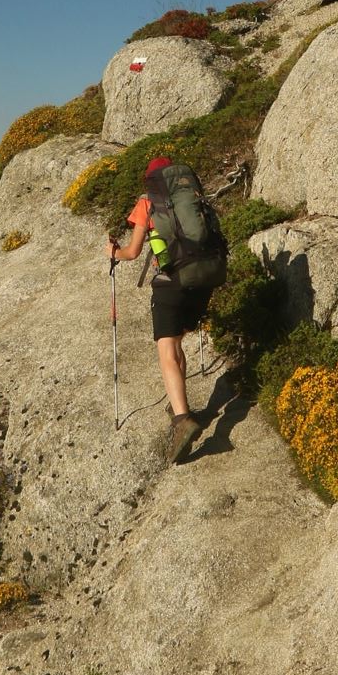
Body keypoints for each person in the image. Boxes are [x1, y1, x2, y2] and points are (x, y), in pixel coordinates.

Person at [108, 155, 216, 462]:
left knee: (166, 348)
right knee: (177, 342)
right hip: (203, 278)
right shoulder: (193, 196)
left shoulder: (147, 202)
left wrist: (113, 252)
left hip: (171, 282)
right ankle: (180, 402)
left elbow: (132, 252)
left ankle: (182, 420)